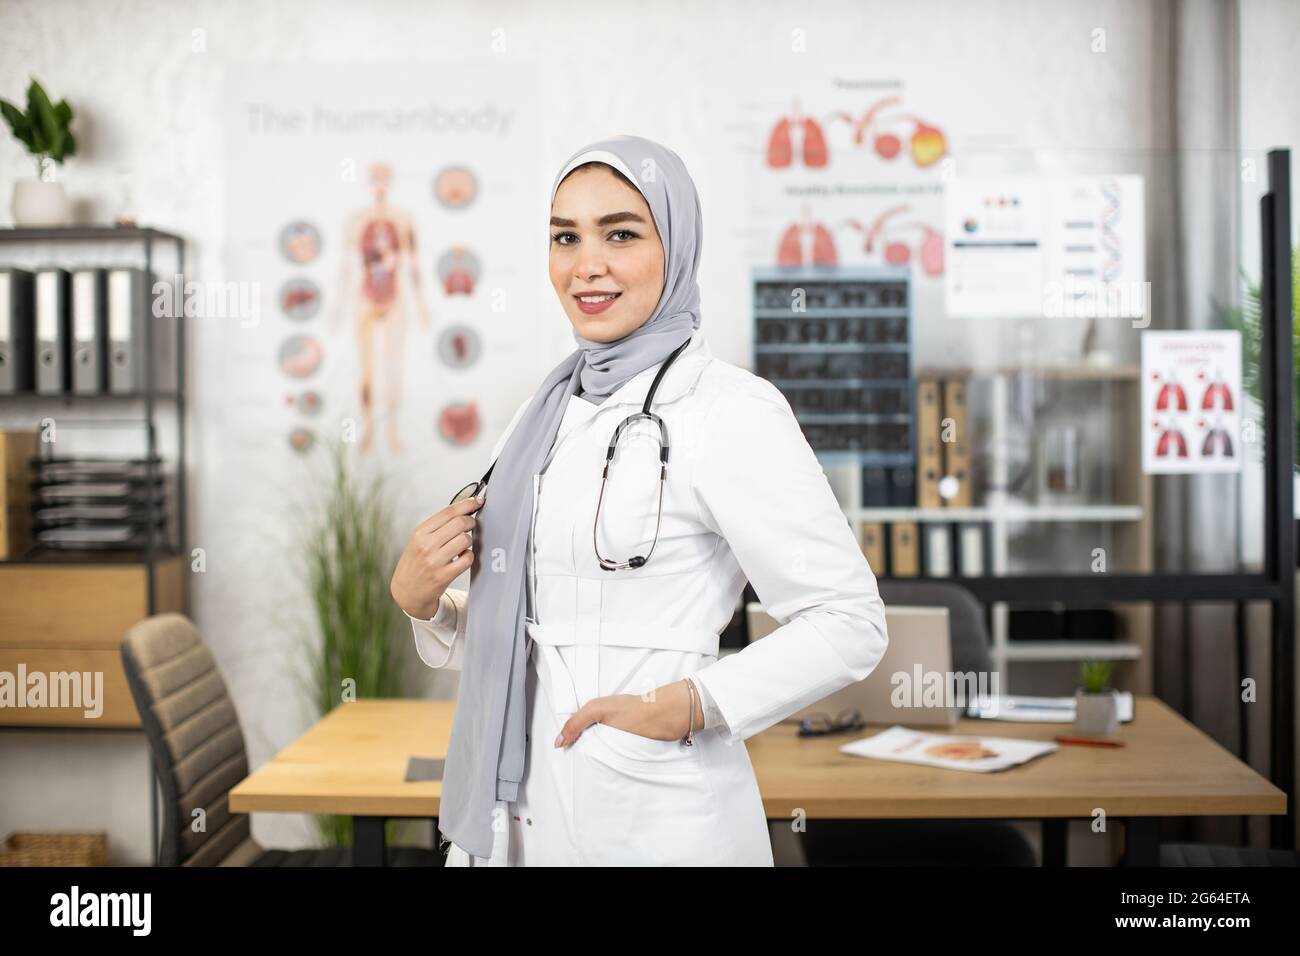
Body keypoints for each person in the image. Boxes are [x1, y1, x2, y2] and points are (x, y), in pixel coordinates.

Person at [389, 134, 888, 866]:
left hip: (653, 817)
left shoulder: (730, 410)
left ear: (676, 245)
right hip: (519, 808)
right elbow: (527, 632)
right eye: (566, 237)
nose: (586, 265)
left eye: (620, 233)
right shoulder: (545, 409)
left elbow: (849, 622)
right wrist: (423, 604)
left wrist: (690, 705)